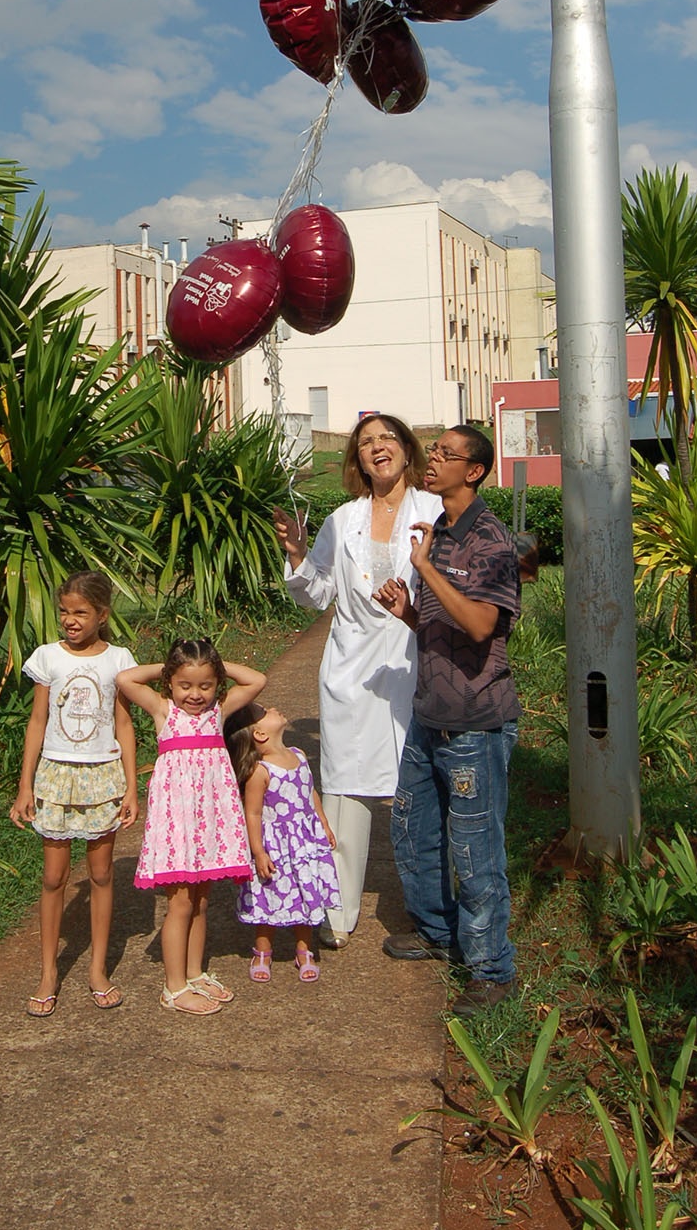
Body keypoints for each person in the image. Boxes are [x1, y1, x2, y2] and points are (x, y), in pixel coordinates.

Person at [272, 412, 441, 946]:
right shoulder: (343, 521)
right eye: (366, 443)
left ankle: (430, 909)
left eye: (387, 437)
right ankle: (338, 911)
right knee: (345, 788)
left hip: (417, 661)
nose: (377, 448)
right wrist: (298, 556)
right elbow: (318, 593)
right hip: (351, 669)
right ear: (357, 462)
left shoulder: (435, 511)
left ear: (407, 450)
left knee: (424, 786)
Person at [375, 425, 522, 1019]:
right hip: (430, 713)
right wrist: (407, 610)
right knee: (413, 831)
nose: (430, 460)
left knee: (475, 848)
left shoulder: (491, 540)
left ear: (476, 471)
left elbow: (483, 625)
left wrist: (425, 570)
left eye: (445, 454)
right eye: (431, 450)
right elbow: (438, 626)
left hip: (476, 722)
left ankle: (491, 970)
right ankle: (436, 932)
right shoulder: (434, 537)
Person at [9, 572, 138, 1018]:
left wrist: (131, 787)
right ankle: (48, 972)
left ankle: (98, 970)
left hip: (103, 777)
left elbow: (124, 724)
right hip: (55, 777)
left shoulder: (119, 659)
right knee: (53, 878)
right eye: (64, 611)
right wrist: (25, 785)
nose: (70, 620)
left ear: (103, 615)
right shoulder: (47, 658)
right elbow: (37, 722)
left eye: (80, 612)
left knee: (101, 875)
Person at [117, 641, 266, 1016]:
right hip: (178, 826)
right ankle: (174, 986)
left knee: (201, 900)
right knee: (181, 903)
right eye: (185, 685)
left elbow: (256, 679)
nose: (195, 694)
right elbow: (125, 678)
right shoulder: (163, 710)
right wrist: (168, 668)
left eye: (205, 685)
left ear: (216, 685)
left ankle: (195, 972)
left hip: (210, 822)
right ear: (170, 683)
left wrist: (214, 664)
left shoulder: (220, 710)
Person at [225, 701, 342, 983]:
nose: (276, 709)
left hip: (304, 844)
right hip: (276, 847)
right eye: (266, 713)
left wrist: (323, 822)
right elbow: (252, 813)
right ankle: (263, 950)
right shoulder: (260, 770)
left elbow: (310, 791)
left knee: (305, 894)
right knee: (269, 897)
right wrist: (258, 851)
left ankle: (304, 949)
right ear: (260, 734)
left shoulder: (299, 755)